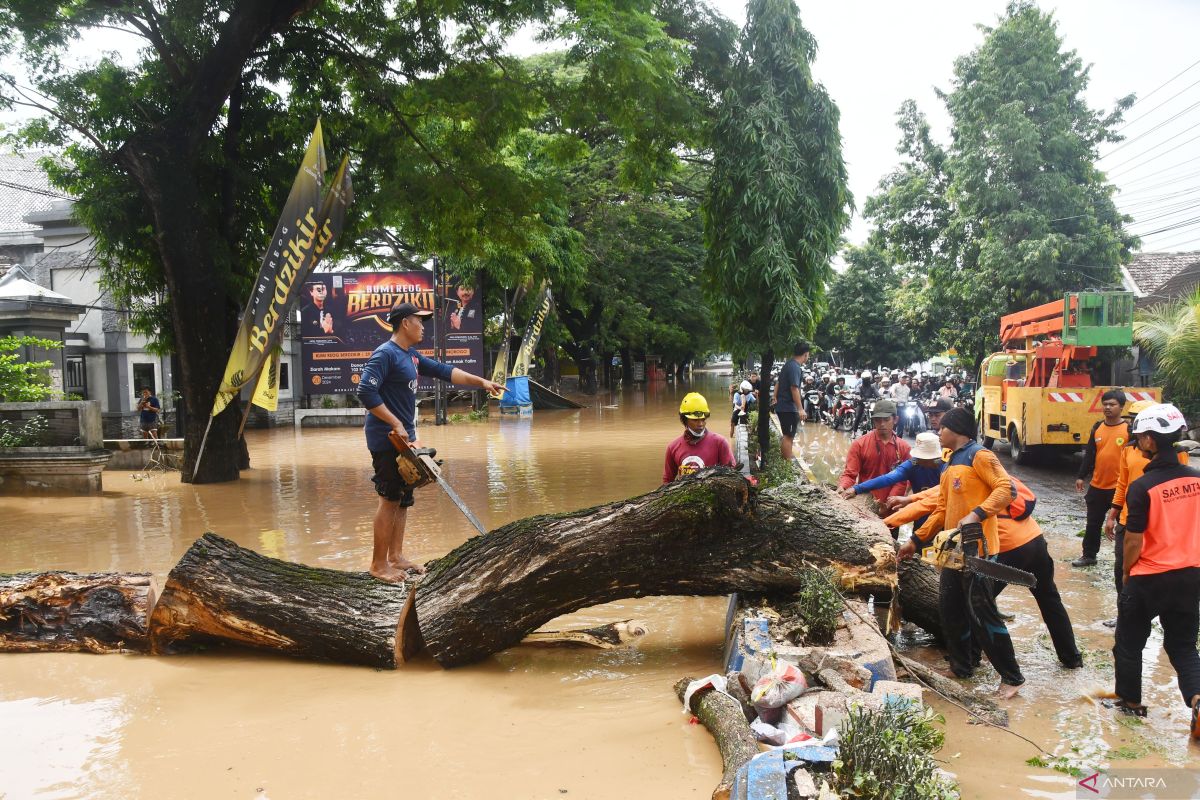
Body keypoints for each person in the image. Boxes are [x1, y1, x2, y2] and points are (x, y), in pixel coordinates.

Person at [356, 300, 505, 583]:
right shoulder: (384, 355)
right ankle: (378, 565)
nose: (423, 326)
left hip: (406, 442)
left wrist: (483, 383)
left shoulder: (410, 356)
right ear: (404, 323)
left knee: (402, 500)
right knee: (389, 498)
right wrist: (396, 423)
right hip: (386, 439)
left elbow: (445, 371)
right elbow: (365, 392)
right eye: (419, 320)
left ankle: (396, 557)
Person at [889, 474, 1084, 670]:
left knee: (974, 603)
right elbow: (935, 492)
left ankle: (975, 660)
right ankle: (1071, 658)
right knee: (1049, 599)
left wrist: (886, 523)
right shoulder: (991, 475)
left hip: (1006, 547)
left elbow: (930, 504)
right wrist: (909, 499)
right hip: (1034, 540)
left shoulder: (962, 479)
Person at [897, 407, 1024, 698]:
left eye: (942, 428)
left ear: (957, 430)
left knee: (984, 615)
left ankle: (1012, 678)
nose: (938, 432)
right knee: (950, 609)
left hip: (978, 550)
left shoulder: (981, 455)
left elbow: (1006, 490)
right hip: (953, 552)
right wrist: (915, 541)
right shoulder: (950, 461)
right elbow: (941, 509)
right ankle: (961, 665)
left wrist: (978, 514)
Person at [1110, 403, 1200, 735]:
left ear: (1149, 440)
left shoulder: (1142, 487)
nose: (1137, 443)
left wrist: (1126, 574)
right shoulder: (1197, 479)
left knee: (1129, 643)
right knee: (1183, 646)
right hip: (1190, 576)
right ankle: (1197, 701)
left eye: (1139, 438)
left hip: (1148, 576)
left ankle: (1131, 705)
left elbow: (1133, 539)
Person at [1104, 400, 1190, 602]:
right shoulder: (1128, 450)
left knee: (1158, 571)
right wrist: (1112, 515)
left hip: (1161, 523)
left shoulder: (1179, 455)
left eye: (1138, 424)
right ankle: (1124, 610)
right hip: (1128, 520)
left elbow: (1180, 489)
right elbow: (1122, 484)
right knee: (1123, 570)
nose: (1135, 430)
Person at [1072, 389, 1128, 568]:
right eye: (1105, 404)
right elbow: (1090, 454)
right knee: (1093, 523)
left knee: (1123, 525)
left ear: (1121, 406)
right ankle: (1089, 555)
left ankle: (1123, 559)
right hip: (1097, 486)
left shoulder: (1129, 430)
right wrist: (1081, 476)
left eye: (1112, 404)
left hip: (1119, 488)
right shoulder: (1097, 428)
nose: (1108, 407)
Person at [843, 431, 942, 529]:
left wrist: (908, 500)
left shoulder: (946, 467)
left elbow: (940, 496)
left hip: (941, 515)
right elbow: (888, 478)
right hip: (920, 514)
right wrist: (856, 489)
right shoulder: (913, 464)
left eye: (921, 457)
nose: (917, 459)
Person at [837, 399, 912, 504]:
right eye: (878, 420)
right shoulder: (859, 444)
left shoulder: (904, 447)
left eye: (886, 419)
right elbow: (850, 474)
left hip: (892, 503)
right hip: (865, 501)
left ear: (895, 419)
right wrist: (843, 486)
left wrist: (888, 503)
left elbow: (903, 481)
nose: (881, 424)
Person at [665, 392, 736, 483]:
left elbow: (732, 475)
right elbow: (667, 480)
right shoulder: (673, 448)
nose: (700, 424)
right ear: (684, 420)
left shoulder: (720, 443)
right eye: (695, 420)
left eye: (703, 419)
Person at [772, 341, 810, 461]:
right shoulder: (795, 367)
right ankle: (787, 463)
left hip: (783, 406)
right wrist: (800, 408)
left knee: (787, 435)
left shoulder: (788, 364)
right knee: (789, 436)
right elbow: (794, 388)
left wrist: (774, 396)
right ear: (806, 354)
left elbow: (778, 382)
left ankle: (785, 460)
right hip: (788, 407)